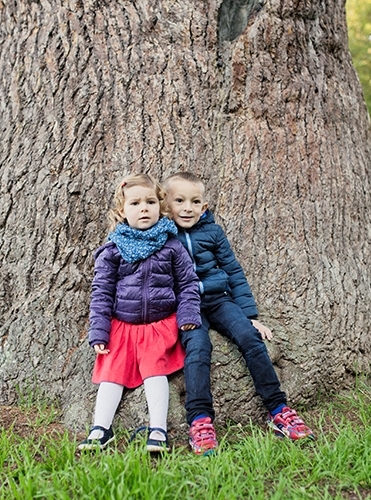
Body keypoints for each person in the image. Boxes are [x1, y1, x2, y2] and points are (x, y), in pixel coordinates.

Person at [163, 171, 315, 456]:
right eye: (179, 200)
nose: (187, 208)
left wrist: (249, 314)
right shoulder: (163, 235)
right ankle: (199, 421)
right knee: (197, 348)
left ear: (203, 207)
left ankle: (278, 409)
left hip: (220, 300)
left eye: (195, 201)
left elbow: (233, 271)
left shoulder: (213, 232)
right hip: (186, 306)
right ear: (166, 205)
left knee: (248, 336)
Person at [78, 173, 201, 453]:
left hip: (159, 324)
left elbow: (187, 283)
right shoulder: (113, 250)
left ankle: (158, 429)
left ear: (161, 206)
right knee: (112, 374)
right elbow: (101, 292)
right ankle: (100, 429)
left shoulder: (171, 245)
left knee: (154, 372)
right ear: (122, 211)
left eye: (150, 202)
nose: (143, 208)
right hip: (122, 324)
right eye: (135, 203)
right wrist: (99, 330)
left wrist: (189, 315)